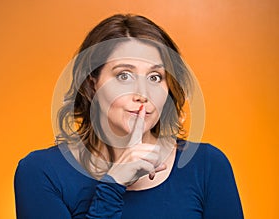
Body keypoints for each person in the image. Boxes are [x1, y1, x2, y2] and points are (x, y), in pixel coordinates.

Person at [14, 14, 244, 219]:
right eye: (124, 76)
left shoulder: (207, 165)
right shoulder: (40, 172)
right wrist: (113, 184)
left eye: (155, 77)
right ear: (93, 84)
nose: (143, 94)